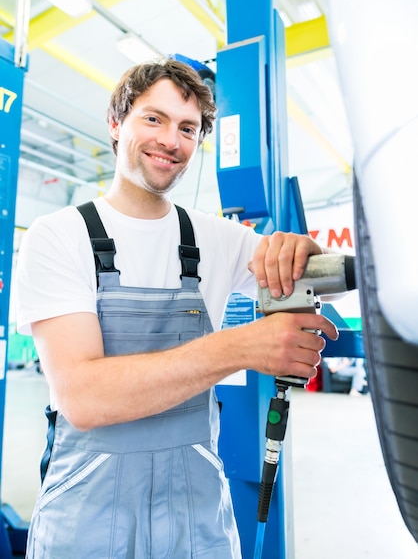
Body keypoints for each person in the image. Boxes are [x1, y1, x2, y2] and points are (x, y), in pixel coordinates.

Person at [16, 58, 338, 559]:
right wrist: (238, 348)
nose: (172, 139)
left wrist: (304, 253)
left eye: (188, 128)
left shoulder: (215, 238)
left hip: (196, 513)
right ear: (116, 123)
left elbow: (321, 281)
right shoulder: (58, 236)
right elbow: (83, 397)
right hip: (87, 513)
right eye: (154, 119)